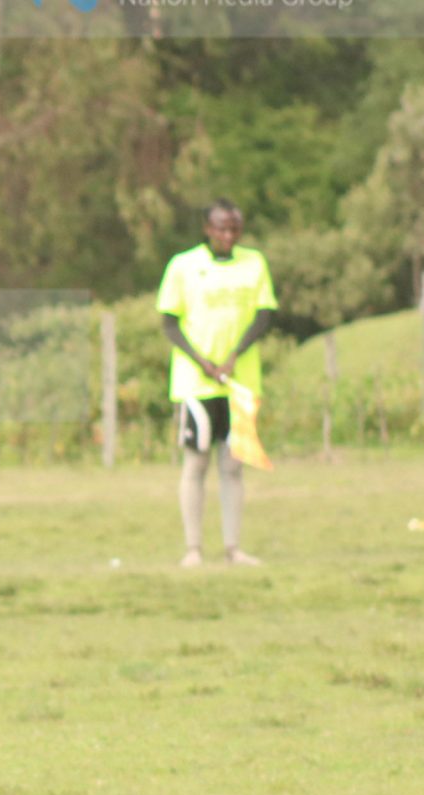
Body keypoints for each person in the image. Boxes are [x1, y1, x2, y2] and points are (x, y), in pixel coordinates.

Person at [157, 200, 274, 569]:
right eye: (222, 228)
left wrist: (234, 356)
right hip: (197, 384)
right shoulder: (183, 266)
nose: (228, 235)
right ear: (207, 228)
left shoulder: (254, 263)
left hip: (240, 383)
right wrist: (203, 362)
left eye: (235, 229)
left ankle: (232, 548)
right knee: (196, 463)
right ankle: (193, 548)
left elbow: (264, 314)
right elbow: (170, 323)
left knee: (233, 466)